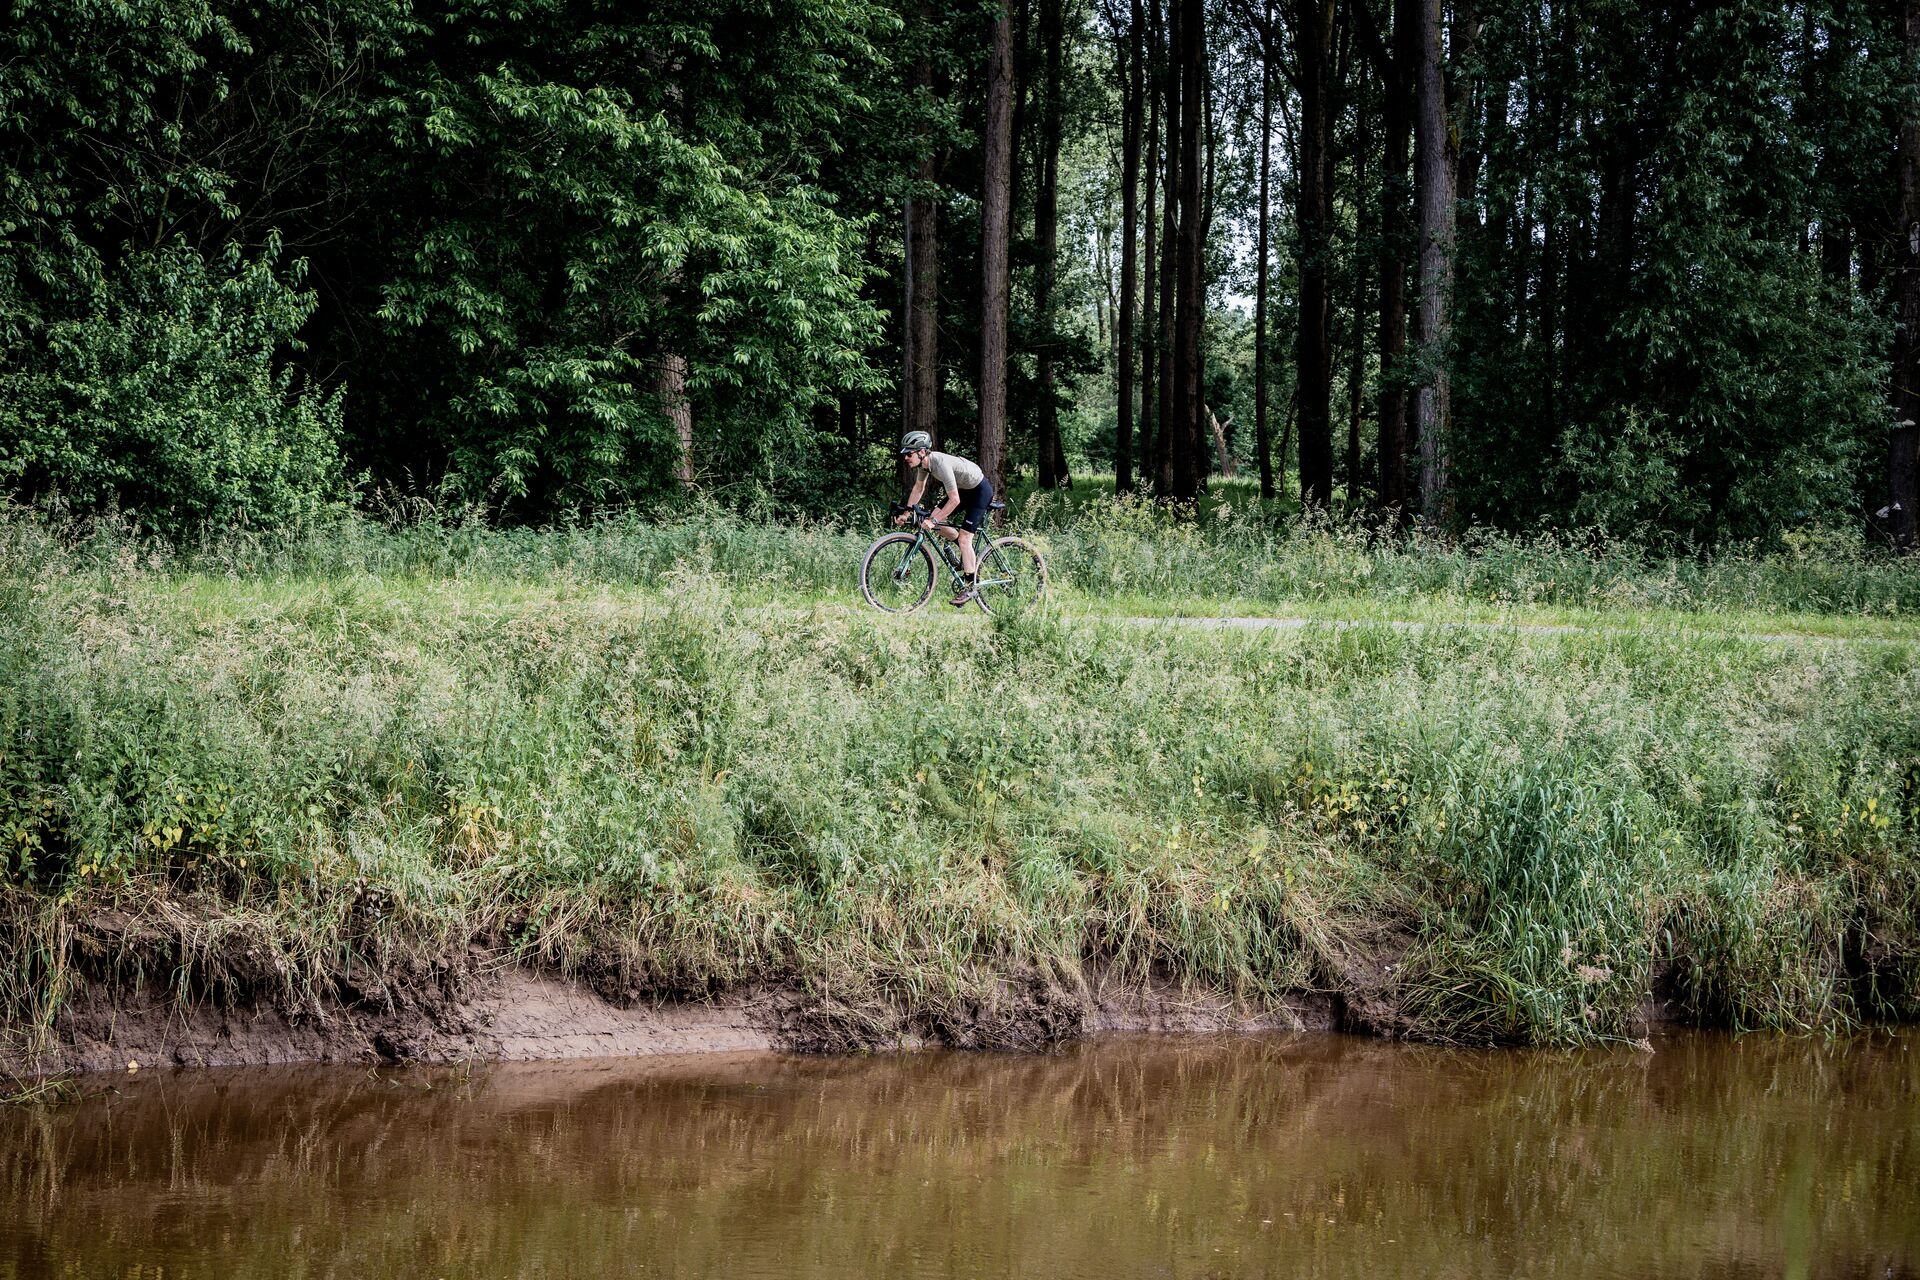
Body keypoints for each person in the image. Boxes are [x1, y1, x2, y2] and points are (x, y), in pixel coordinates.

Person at [894, 431, 993, 605]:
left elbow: (954, 500)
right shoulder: (924, 466)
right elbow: (918, 489)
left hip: (979, 491)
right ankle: (964, 557)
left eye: (909, 453)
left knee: (963, 538)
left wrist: (933, 521)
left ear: (922, 452)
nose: (906, 457)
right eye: (905, 454)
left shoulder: (939, 463)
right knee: (935, 520)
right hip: (965, 490)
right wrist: (906, 514)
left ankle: (971, 587)